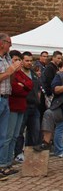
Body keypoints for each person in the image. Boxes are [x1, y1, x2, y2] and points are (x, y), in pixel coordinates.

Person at [0, 50, 33, 177]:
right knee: (7, 136)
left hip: (20, 106)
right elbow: (16, 88)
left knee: (14, 136)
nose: (17, 63)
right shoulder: (10, 71)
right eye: (15, 60)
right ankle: (3, 163)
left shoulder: (19, 73)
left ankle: (8, 162)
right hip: (12, 105)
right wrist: (22, 86)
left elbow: (29, 85)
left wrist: (22, 85)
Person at [0, 34, 22, 175]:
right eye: (9, 43)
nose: (10, 46)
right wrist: (10, 70)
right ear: (1, 43)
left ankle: (3, 165)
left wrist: (14, 71)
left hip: (6, 98)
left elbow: (9, 78)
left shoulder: (7, 58)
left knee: (4, 135)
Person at [14, 51, 41, 162]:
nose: (29, 63)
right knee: (20, 131)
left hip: (34, 106)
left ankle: (30, 152)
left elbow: (38, 88)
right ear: (22, 61)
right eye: (27, 61)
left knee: (35, 130)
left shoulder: (34, 74)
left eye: (31, 61)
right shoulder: (18, 74)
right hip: (23, 105)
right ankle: (18, 153)